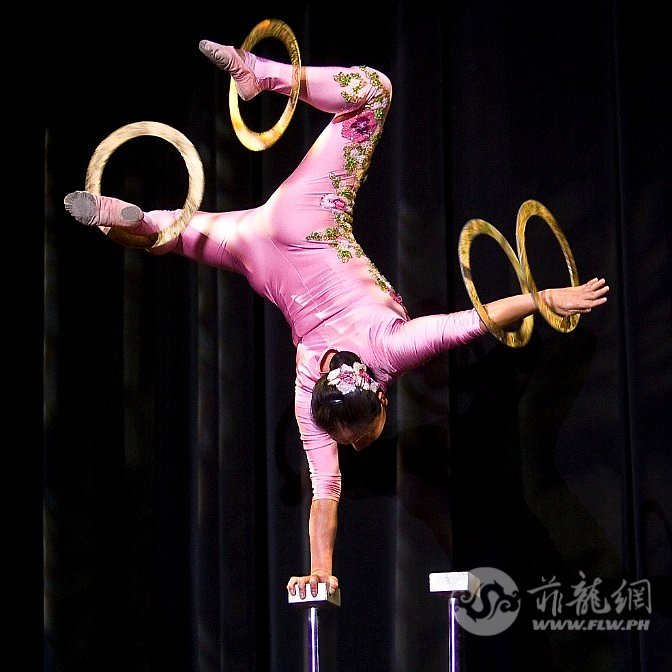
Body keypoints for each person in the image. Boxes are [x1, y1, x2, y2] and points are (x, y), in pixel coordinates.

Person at [63, 40, 609, 601]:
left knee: (374, 94)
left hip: (296, 224)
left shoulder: (389, 350)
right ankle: (125, 217)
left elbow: (480, 319)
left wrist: (544, 298)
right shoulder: (311, 396)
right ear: (372, 401)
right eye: (359, 437)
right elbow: (325, 490)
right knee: (177, 236)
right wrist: (319, 568)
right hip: (260, 249)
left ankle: (251, 81)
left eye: (350, 439)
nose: (353, 445)